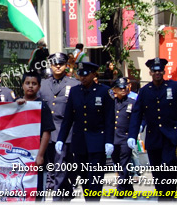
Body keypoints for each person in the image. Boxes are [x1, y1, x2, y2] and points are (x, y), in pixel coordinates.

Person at [55, 62, 115, 201]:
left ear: (94, 74)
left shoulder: (105, 92)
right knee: (84, 179)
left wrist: (109, 141)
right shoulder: (75, 91)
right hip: (80, 142)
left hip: (97, 142)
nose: (83, 78)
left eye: (86, 74)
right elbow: (68, 118)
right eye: (80, 74)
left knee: (95, 179)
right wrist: (60, 138)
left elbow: (109, 120)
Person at [128, 57, 177, 201]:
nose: (157, 73)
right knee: (157, 171)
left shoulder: (175, 87)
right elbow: (137, 114)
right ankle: (162, 197)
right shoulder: (145, 91)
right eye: (154, 71)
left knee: (168, 167)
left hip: (170, 136)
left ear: (163, 71)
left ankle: (169, 197)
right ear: (150, 73)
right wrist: (132, 135)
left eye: (159, 70)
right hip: (153, 138)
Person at [38, 53, 79, 201]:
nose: (57, 66)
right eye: (55, 64)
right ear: (50, 65)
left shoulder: (74, 84)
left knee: (60, 165)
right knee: (54, 165)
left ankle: (57, 198)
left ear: (66, 65)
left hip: (66, 132)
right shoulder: (42, 84)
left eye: (60, 63)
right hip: (47, 133)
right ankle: (66, 192)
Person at [16, 72, 55, 201]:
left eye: (34, 84)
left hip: (35, 156)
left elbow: (47, 132)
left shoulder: (42, 106)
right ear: (22, 85)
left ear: (39, 86)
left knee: (37, 192)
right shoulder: (15, 105)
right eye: (27, 83)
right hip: (18, 157)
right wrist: (16, 105)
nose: (30, 86)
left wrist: (40, 155)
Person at [111, 77, 135, 198]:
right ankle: (129, 187)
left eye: (124, 87)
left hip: (126, 138)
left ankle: (120, 190)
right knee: (118, 163)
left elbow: (137, 119)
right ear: (114, 89)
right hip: (113, 138)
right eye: (120, 88)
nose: (123, 90)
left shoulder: (132, 102)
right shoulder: (111, 102)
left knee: (124, 164)